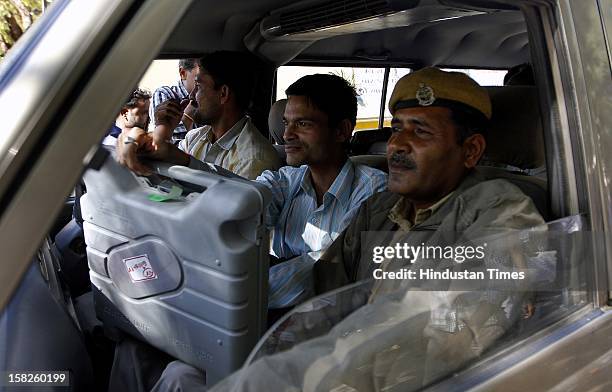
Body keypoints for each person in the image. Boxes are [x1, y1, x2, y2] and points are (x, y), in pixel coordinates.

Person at [151, 67, 545, 391]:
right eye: (396, 130)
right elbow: (328, 298)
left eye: (421, 131)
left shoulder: (498, 208)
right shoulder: (381, 209)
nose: (398, 145)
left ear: (471, 150)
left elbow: (460, 332)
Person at [255, 74, 387, 309]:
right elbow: (245, 201)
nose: (287, 135)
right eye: (286, 123)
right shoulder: (286, 179)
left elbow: (331, 268)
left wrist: (248, 290)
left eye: (303, 124)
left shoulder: (373, 189)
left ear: (341, 131)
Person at [116, 51, 281, 179]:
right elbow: (160, 179)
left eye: (199, 86)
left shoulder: (254, 157)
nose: (191, 95)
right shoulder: (195, 138)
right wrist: (158, 132)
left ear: (223, 94)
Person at [148, 58, 200, 142]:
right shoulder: (165, 94)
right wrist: (187, 120)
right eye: (198, 78)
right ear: (183, 73)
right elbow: (168, 142)